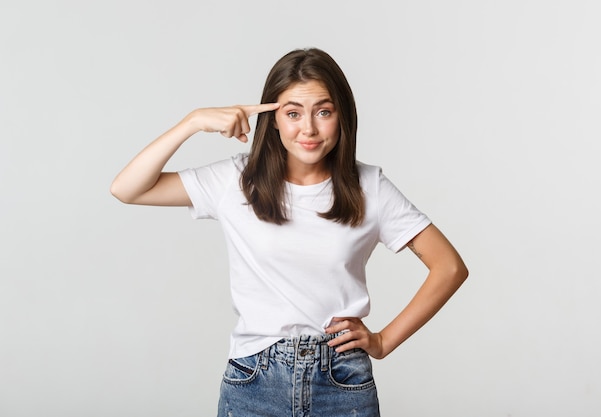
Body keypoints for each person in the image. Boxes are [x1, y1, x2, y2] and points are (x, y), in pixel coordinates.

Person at [110, 47, 468, 417]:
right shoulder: (236, 180)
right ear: (273, 119)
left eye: (323, 112)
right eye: (293, 113)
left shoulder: (368, 187)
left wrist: (383, 341)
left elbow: (449, 267)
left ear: (342, 116)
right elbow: (128, 188)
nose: (308, 129)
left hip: (341, 381)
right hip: (254, 381)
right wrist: (193, 122)